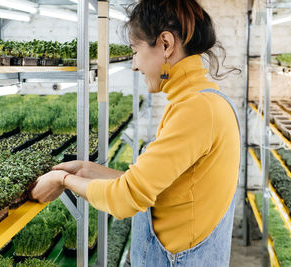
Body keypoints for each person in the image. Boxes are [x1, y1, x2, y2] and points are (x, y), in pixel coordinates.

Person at [31, 0, 241, 266]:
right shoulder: (197, 101)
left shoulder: (197, 110)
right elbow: (157, 185)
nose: (134, 65)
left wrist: (62, 180)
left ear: (165, 44)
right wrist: (85, 170)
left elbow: (126, 198)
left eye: (135, 50)